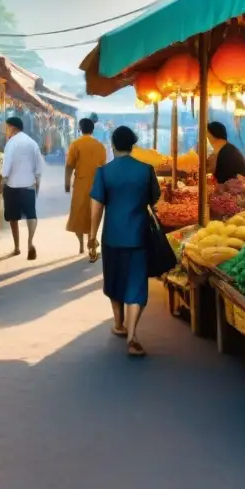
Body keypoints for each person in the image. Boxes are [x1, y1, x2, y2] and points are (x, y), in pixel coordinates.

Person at [88, 126, 161, 357]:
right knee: (136, 285)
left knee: (115, 278)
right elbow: (154, 199)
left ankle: (118, 324)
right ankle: (132, 336)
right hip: (138, 235)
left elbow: (97, 206)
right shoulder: (146, 170)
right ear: (133, 145)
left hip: (112, 236)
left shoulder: (104, 172)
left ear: (113, 145)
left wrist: (91, 237)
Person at [0, 116, 43, 260]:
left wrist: (2, 180)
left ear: (13, 127)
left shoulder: (12, 143)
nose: (6, 131)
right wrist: (37, 184)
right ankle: (30, 242)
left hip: (12, 185)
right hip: (29, 185)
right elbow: (38, 168)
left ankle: (17, 247)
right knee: (31, 215)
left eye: (7, 127)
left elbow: (7, 164)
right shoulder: (33, 143)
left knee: (13, 218)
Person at [64, 118, 107, 259]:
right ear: (93, 129)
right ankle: (91, 242)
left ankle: (81, 245)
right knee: (92, 215)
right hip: (96, 185)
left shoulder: (76, 144)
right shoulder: (100, 146)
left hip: (81, 185)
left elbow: (69, 165)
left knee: (78, 215)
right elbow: (103, 167)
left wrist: (66, 182)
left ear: (79, 129)